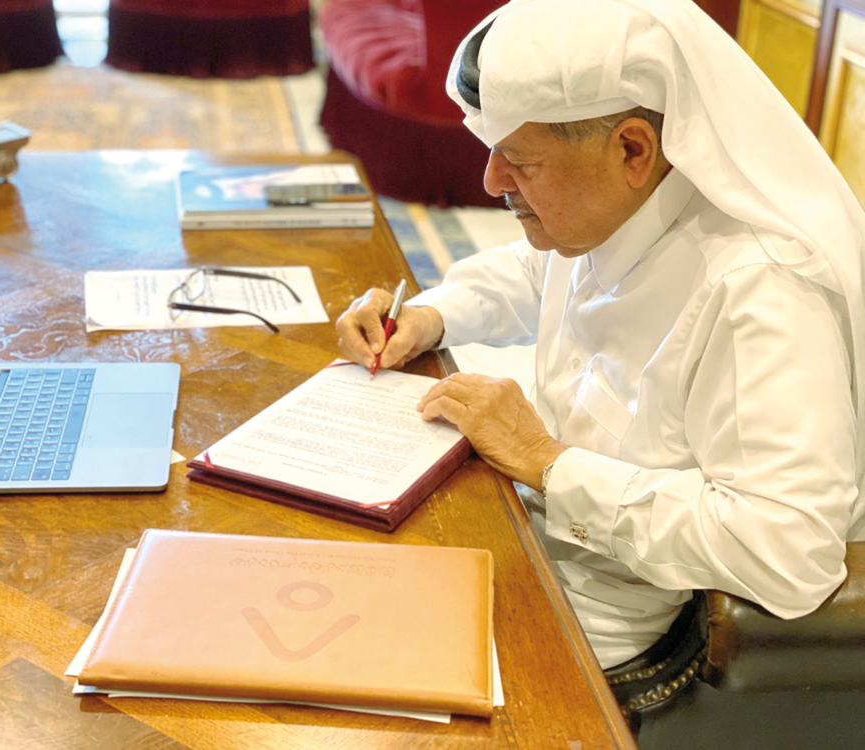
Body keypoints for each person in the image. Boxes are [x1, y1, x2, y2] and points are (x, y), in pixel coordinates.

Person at [335, 0, 865, 703]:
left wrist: (549, 465)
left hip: (597, 625)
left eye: (520, 161)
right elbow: (536, 270)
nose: (492, 182)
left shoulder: (761, 293)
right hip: (529, 535)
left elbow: (789, 551)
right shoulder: (612, 205)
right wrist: (431, 315)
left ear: (632, 150)